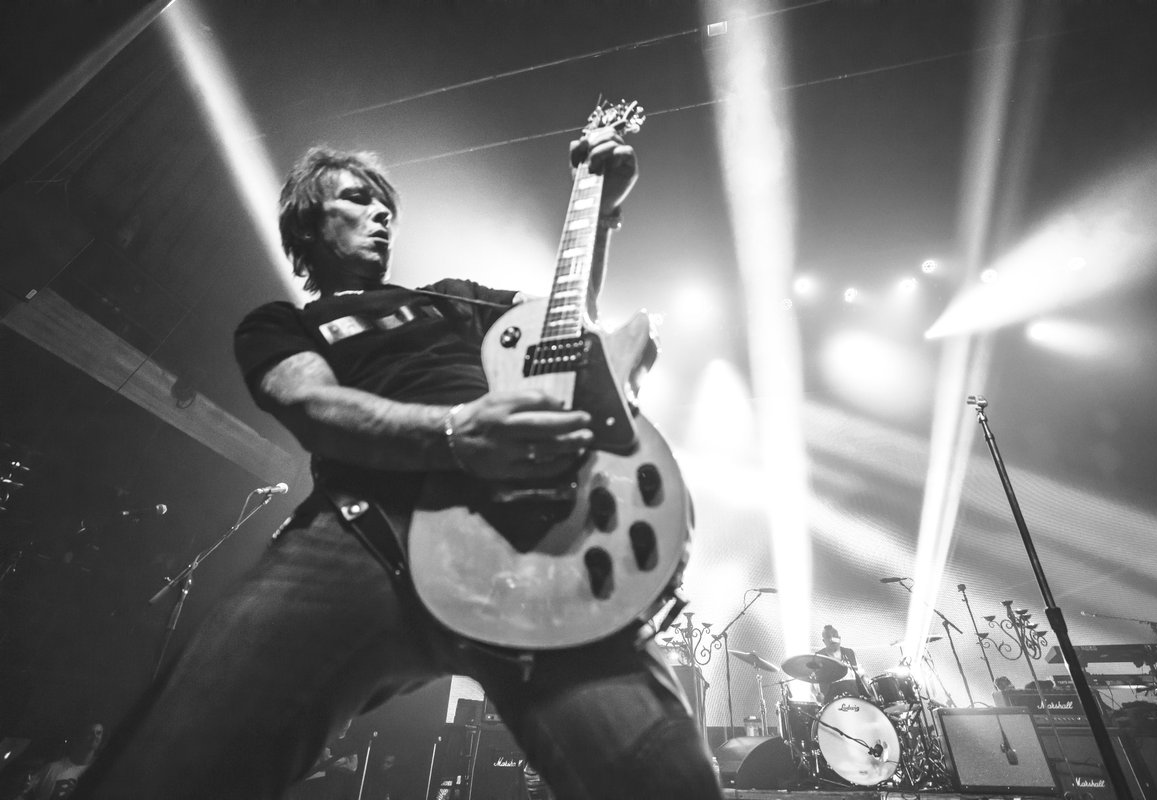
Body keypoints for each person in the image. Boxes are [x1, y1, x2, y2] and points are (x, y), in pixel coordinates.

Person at [77, 125, 719, 800]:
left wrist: (599, 207)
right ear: (307, 224)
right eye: (358, 199)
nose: (383, 214)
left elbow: (567, 325)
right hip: (362, 531)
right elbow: (312, 406)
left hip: (533, 539)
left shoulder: (452, 298)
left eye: (387, 206)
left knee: (666, 779)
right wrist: (451, 432)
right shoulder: (282, 325)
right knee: (165, 769)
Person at [17, 722, 103, 800]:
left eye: (98, 733)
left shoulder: (100, 772)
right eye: (91, 733)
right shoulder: (51, 769)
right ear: (80, 737)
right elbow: (24, 793)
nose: (95, 736)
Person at [814, 624, 864, 702]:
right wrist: (817, 696)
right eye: (828, 637)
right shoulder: (819, 657)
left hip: (856, 701)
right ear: (824, 641)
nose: (832, 639)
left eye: (834, 636)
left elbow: (862, 675)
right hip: (831, 704)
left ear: (839, 638)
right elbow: (814, 683)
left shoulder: (850, 653)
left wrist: (870, 687)